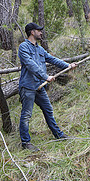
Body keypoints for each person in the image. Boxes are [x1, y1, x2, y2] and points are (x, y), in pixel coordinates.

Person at [18, 22, 77, 152]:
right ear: (32, 32)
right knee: (27, 114)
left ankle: (58, 135)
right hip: (28, 87)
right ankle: (25, 142)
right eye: (39, 30)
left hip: (39, 87)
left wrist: (67, 65)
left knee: (48, 110)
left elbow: (52, 59)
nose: (41, 32)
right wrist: (45, 76)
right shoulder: (23, 47)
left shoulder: (40, 49)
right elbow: (30, 64)